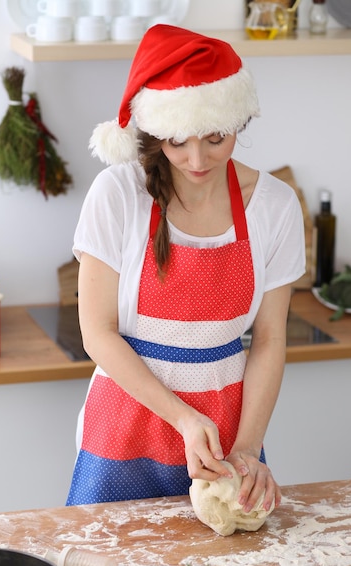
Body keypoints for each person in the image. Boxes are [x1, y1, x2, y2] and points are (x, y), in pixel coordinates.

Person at [66, 24, 305, 514]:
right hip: (127, 420)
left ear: (238, 121)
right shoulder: (118, 194)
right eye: (178, 141)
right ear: (155, 133)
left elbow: (270, 340)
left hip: (228, 429)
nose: (198, 159)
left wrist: (247, 446)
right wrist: (183, 419)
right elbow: (97, 332)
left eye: (216, 138)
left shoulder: (274, 207)